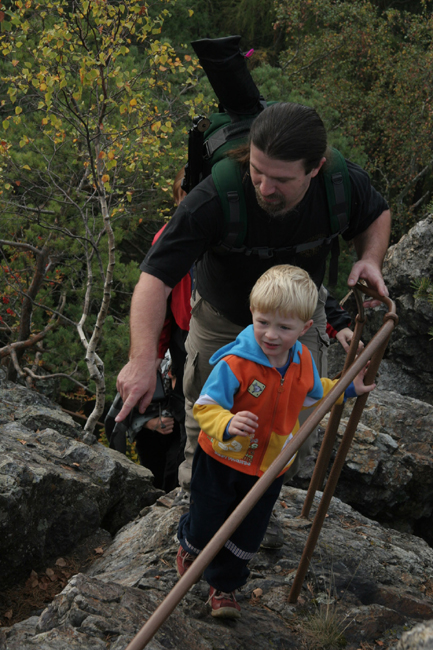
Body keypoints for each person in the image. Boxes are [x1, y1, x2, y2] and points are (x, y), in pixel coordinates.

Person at [115, 102, 390, 527]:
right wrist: (140, 359)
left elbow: (375, 213)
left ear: (315, 168)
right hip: (223, 318)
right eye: (257, 172)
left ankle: (264, 502)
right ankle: (197, 508)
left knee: (295, 408)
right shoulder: (215, 196)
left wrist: (371, 259)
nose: (264, 188)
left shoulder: (341, 184)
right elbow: (155, 278)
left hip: (300, 317)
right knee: (208, 409)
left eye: (280, 179)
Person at [176, 265, 376, 618]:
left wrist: (347, 386)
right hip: (221, 460)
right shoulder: (235, 363)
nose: (271, 334)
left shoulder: (302, 361)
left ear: (305, 328)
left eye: (284, 327)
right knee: (207, 522)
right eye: (263, 322)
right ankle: (190, 546)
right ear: (252, 314)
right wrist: (227, 421)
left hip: (269, 467)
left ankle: (224, 587)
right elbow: (206, 406)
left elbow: (315, 396)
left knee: (249, 533)